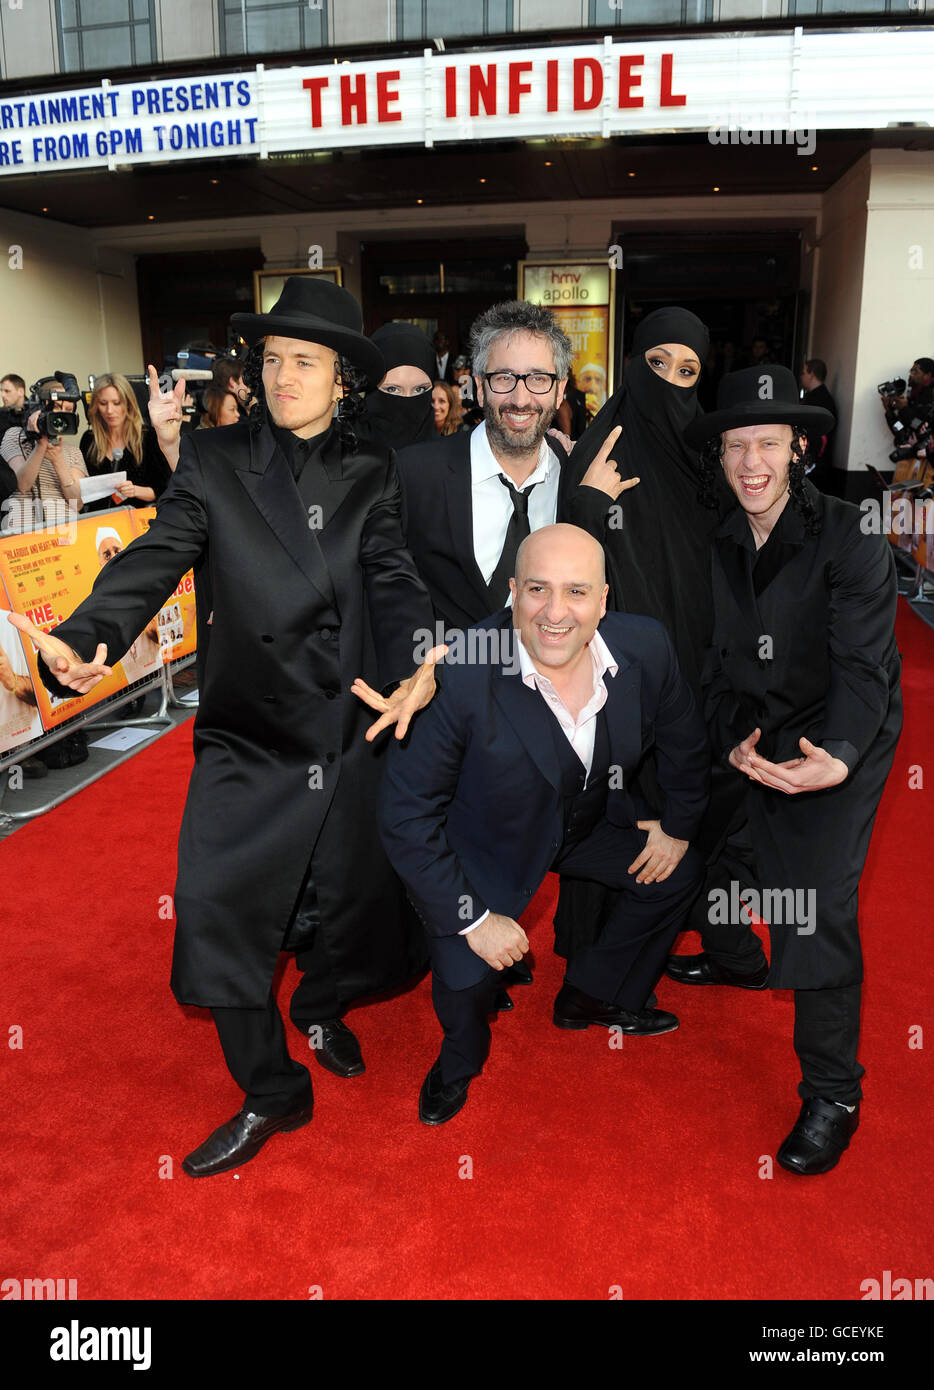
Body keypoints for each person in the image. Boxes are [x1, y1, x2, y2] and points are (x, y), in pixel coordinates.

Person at [12, 277, 440, 1179]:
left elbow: (395, 580)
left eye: (307, 362)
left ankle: (323, 1003)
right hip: (248, 733)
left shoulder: (371, 473)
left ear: (341, 380)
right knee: (214, 906)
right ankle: (273, 1090)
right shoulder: (211, 458)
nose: (285, 378)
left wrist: (419, 663)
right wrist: (88, 635)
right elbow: (158, 555)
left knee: (339, 905)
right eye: (273, 360)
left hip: (343, 725)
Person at [379, 524, 710, 1124]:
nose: (555, 613)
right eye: (537, 590)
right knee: (464, 988)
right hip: (487, 849)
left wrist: (677, 825)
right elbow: (405, 815)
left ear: (605, 600)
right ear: (512, 594)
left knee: (679, 873)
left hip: (585, 823)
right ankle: (457, 1064)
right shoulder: (462, 674)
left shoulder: (646, 647)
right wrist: (474, 920)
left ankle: (593, 992)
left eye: (577, 592)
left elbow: (686, 743)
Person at [665, 364, 902, 1176]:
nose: (751, 463)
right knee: (711, 838)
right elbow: (713, 658)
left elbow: (865, 670)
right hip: (758, 721)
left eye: (768, 443)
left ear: (799, 447)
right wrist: (732, 739)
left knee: (814, 901)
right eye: (735, 446)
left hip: (843, 733)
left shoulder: (851, 535)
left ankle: (834, 1093)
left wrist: (835, 759)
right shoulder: (720, 537)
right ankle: (735, 960)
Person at [394, 299, 630, 994]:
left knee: (525, 840)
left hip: (542, 709)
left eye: (537, 380)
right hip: (442, 703)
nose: (520, 396)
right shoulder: (413, 471)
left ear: (561, 389)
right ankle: (457, 972)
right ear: (473, 384)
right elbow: (387, 581)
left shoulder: (586, 487)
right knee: (443, 840)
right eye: (503, 379)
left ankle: (505, 945)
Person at [553, 307, 723, 969]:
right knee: (618, 810)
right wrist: (590, 507)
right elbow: (570, 564)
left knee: (675, 813)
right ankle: (596, 969)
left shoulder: (704, 454)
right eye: (659, 364)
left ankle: (638, 956)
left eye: (689, 371)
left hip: (694, 667)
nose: (673, 382)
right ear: (633, 364)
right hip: (616, 677)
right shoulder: (603, 447)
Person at [0, 381, 87, 533]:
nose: (62, 414)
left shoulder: (73, 452)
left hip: (65, 534)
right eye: (57, 407)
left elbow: (78, 504)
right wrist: (41, 446)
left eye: (68, 410)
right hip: (24, 536)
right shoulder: (15, 436)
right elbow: (21, 485)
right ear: (39, 408)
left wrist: (58, 459)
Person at [80, 373, 173, 508]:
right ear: (95, 406)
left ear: (129, 404)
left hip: (139, 519)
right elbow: (81, 491)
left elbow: (164, 489)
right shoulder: (89, 440)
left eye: (117, 403)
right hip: (100, 521)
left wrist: (135, 490)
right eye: (103, 403)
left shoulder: (148, 437)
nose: (109, 410)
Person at [355, 322, 435, 452]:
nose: (407, 400)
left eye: (419, 389)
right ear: (371, 388)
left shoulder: (453, 458)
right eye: (392, 389)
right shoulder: (341, 455)